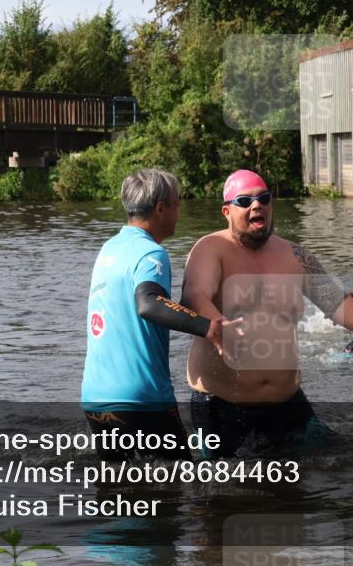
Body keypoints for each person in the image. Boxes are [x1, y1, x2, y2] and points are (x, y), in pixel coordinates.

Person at [181, 169, 353, 457]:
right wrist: (218, 326)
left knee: (333, 469)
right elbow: (194, 296)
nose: (257, 206)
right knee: (224, 496)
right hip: (221, 406)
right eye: (245, 201)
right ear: (226, 211)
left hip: (287, 404)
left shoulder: (295, 256)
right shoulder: (210, 249)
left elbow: (337, 303)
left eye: (264, 199)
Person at [82, 169, 245, 461]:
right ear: (161, 209)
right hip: (141, 396)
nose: (179, 211)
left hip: (96, 394)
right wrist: (209, 327)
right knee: (180, 482)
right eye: (176, 203)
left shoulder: (109, 248)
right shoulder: (151, 254)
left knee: (114, 486)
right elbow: (149, 304)